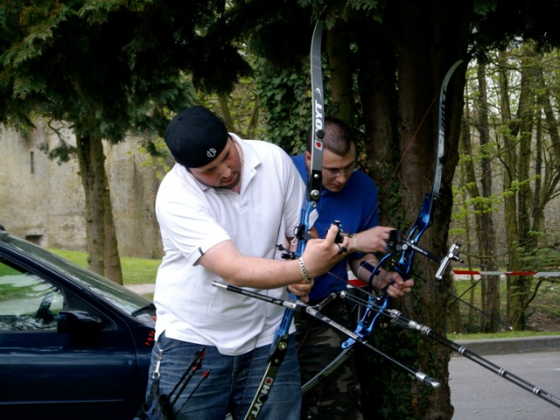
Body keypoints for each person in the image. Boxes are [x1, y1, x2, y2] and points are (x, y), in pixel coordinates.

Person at [147, 106, 351, 420]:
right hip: (193, 341)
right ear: (186, 168)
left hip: (269, 336)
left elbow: (299, 234)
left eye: (226, 156)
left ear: (231, 138)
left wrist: (302, 265)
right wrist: (303, 268)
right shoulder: (175, 195)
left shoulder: (273, 160)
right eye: (209, 170)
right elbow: (234, 269)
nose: (225, 172)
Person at [292, 117, 415, 420]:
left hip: (326, 309)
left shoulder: (362, 187)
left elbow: (359, 259)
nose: (342, 178)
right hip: (274, 311)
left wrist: (381, 278)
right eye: (332, 170)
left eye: (349, 167)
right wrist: (356, 240)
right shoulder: (283, 175)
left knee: (339, 405)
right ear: (309, 159)